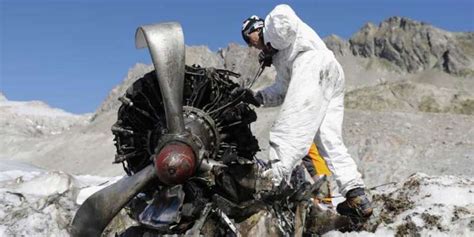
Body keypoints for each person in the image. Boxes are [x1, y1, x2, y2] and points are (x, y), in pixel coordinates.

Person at [240, 5, 372, 219]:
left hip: (313, 64)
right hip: (330, 73)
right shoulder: (281, 59)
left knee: (288, 129)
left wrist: (270, 44)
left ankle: (270, 184)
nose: (252, 45)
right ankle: (356, 195)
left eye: (249, 39)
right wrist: (257, 97)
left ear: (255, 29)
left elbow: (285, 17)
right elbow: (282, 89)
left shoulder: (274, 22)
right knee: (328, 140)